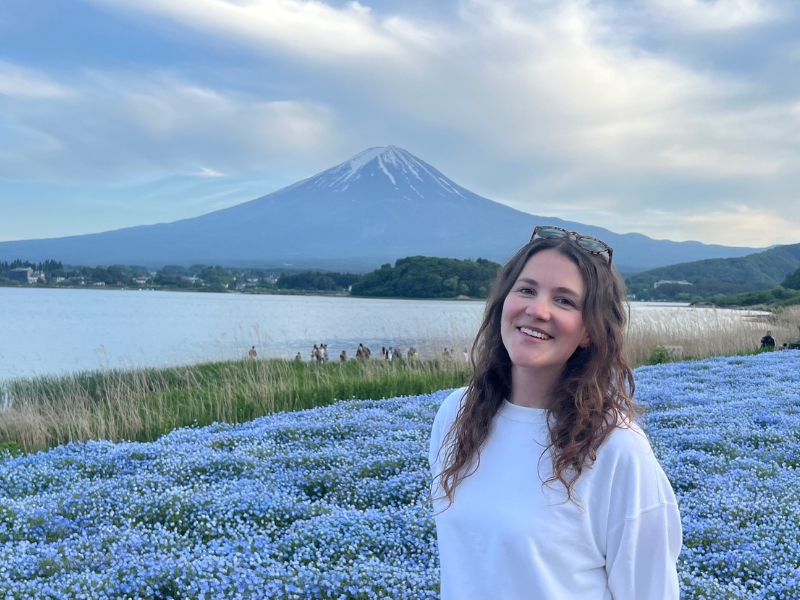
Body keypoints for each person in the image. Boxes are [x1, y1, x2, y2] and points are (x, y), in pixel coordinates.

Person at [429, 226, 682, 600]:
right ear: (504, 301)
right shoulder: (456, 414)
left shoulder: (617, 449)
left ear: (589, 332)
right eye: (526, 290)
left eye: (564, 301)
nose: (537, 310)